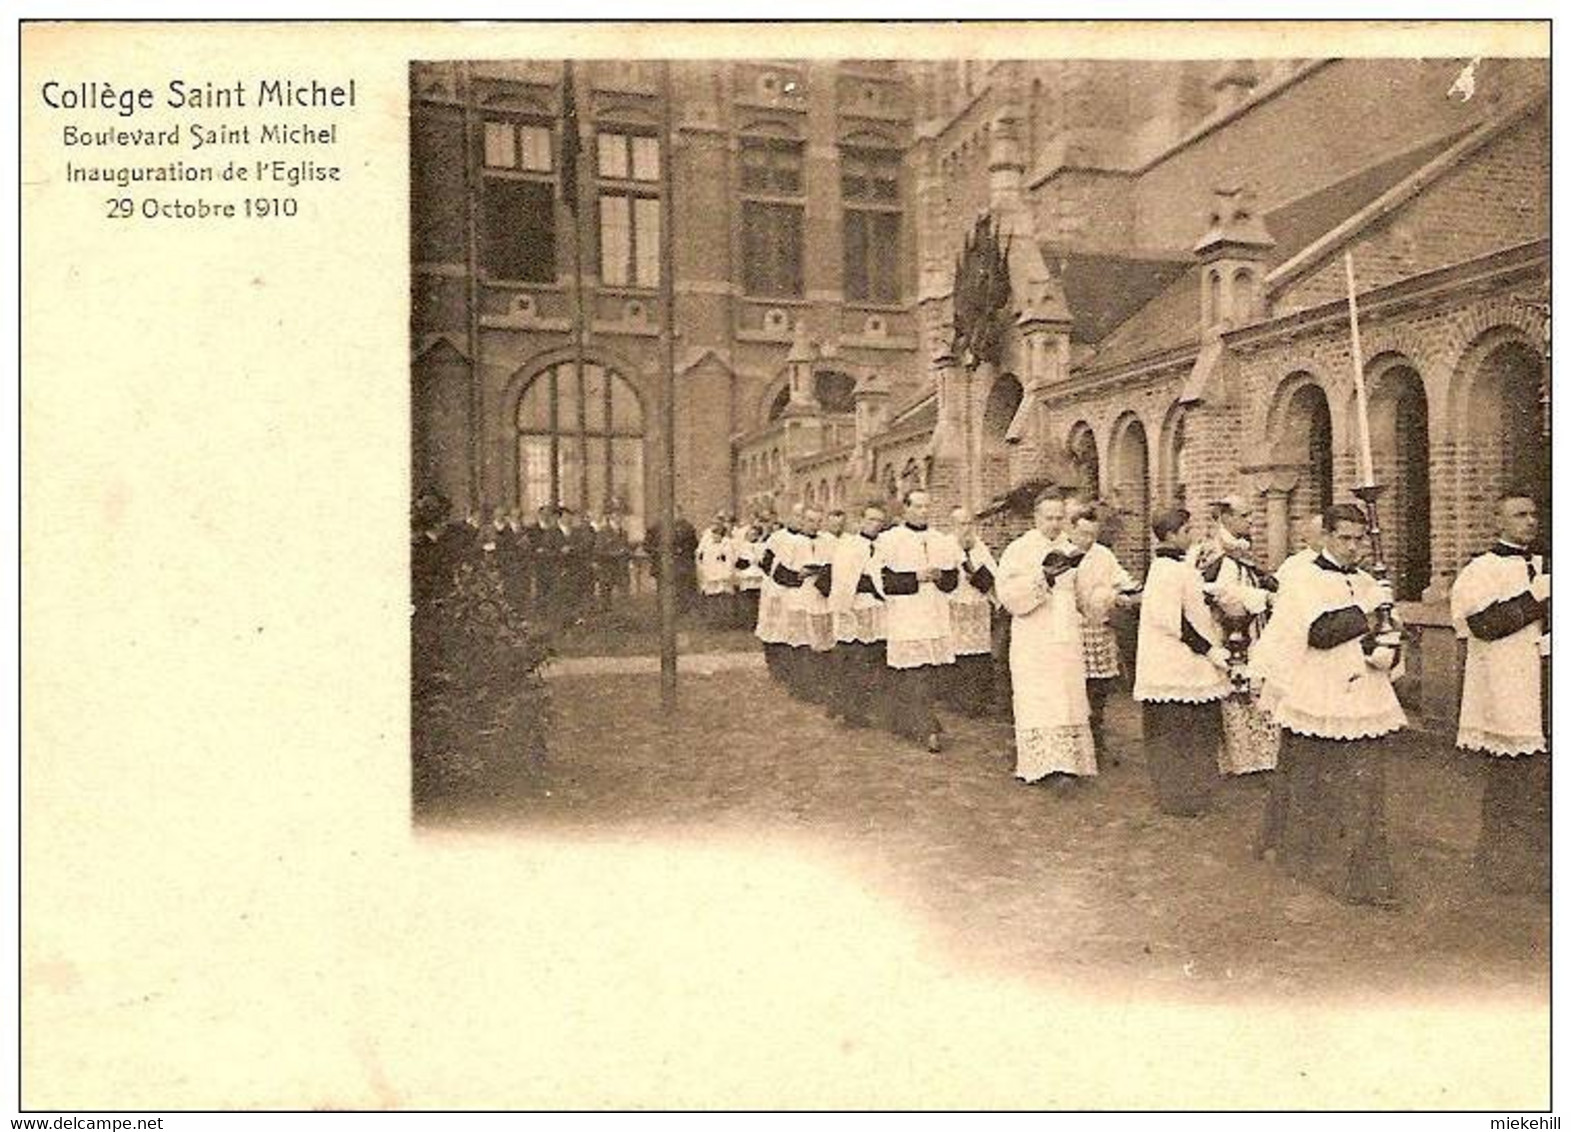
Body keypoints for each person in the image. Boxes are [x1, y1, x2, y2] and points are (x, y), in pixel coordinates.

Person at [1259, 503, 1404, 906]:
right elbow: (1320, 633)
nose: (1354, 547)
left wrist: (1388, 642)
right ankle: (1310, 861)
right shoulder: (1304, 577)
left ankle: (1364, 875)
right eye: (1345, 538)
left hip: (1364, 694)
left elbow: (1378, 628)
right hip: (1319, 694)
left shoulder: (1364, 579)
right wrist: (1369, 607)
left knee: (1365, 788)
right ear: (1325, 537)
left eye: (1360, 539)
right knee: (1314, 784)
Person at [1451, 492, 1550, 895]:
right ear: (1498, 521)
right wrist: (1535, 600)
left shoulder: (1549, 563)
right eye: (1519, 515)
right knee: (1515, 782)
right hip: (1511, 687)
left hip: (1549, 681)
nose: (1530, 522)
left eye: (1533, 514)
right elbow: (1482, 624)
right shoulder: (1482, 570)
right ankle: (1505, 871)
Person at [1132, 508, 1231, 816]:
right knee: (1175, 733)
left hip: (1189, 663)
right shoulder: (1164, 570)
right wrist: (1208, 650)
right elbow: (1173, 622)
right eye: (1187, 530)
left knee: (1197, 730)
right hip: (1174, 664)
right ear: (1171, 535)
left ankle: (1195, 793)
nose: (1193, 535)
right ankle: (1178, 798)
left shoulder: (1179, 567)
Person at [996, 490, 1098, 784]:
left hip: (1065, 636)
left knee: (1067, 697)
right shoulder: (1020, 549)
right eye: (1049, 518)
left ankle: (1068, 763)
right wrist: (1043, 578)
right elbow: (1009, 595)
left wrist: (1099, 597)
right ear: (1036, 517)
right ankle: (1043, 765)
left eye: (1059, 518)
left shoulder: (1071, 548)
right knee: (1040, 699)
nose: (1054, 524)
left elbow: (1082, 591)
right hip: (1035, 636)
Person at [1192, 496, 1281, 777]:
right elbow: (1212, 591)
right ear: (1226, 518)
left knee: (1256, 687)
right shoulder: (1212, 551)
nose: (1250, 520)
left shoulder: (1243, 548)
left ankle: (1260, 758)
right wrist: (1260, 597)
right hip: (1228, 629)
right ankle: (1238, 759)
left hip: (1253, 628)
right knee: (1235, 691)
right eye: (1244, 515)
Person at [875, 489, 960, 752]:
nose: (923, 511)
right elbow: (884, 583)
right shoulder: (891, 540)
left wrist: (940, 576)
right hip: (907, 616)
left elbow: (952, 581)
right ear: (906, 509)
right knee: (914, 672)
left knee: (929, 673)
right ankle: (926, 728)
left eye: (927, 507)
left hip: (933, 615)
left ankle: (917, 722)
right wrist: (916, 577)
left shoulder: (941, 540)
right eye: (918, 507)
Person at [1070, 504, 1139, 761]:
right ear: (1072, 530)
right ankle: (1078, 738)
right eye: (1083, 534)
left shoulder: (1103, 555)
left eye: (1092, 534)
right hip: (1075, 628)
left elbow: (1120, 578)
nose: (1088, 540)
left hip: (1099, 627)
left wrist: (1127, 590)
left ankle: (1096, 733)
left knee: (1100, 685)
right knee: (1078, 685)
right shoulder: (1064, 554)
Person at [827, 502, 888, 728]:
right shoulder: (849, 546)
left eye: (879, 521)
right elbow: (844, 579)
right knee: (854, 660)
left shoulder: (884, 545)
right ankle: (851, 710)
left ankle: (871, 707)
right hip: (855, 606)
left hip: (879, 609)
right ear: (861, 520)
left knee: (874, 659)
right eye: (870, 520)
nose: (875, 525)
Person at [941, 507, 998, 717]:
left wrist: (978, 573)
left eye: (969, 524)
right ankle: (958, 700)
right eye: (962, 524)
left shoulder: (979, 546)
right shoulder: (946, 546)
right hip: (955, 605)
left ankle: (978, 700)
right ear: (953, 526)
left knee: (978, 653)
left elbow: (992, 574)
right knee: (957, 652)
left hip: (977, 605)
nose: (966, 529)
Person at [754, 511, 792, 683]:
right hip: (775, 587)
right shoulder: (776, 539)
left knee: (788, 629)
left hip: (791, 590)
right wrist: (781, 578)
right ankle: (775, 667)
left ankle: (787, 668)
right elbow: (766, 563)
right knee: (772, 628)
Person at [696, 513, 737, 627]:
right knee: (712, 597)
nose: (715, 537)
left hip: (723, 574)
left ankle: (726, 620)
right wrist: (705, 572)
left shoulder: (727, 544)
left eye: (718, 534)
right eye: (714, 534)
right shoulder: (708, 545)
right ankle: (713, 620)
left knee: (723, 597)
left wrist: (727, 574)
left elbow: (730, 560)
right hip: (711, 573)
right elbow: (704, 558)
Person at [732, 513, 765, 630]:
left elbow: (764, 561)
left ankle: (758, 622)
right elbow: (739, 563)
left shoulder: (761, 546)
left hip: (759, 576)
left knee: (759, 601)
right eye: (750, 535)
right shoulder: (743, 547)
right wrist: (747, 562)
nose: (752, 537)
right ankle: (749, 622)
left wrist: (757, 561)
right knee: (747, 601)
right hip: (747, 576)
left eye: (754, 535)